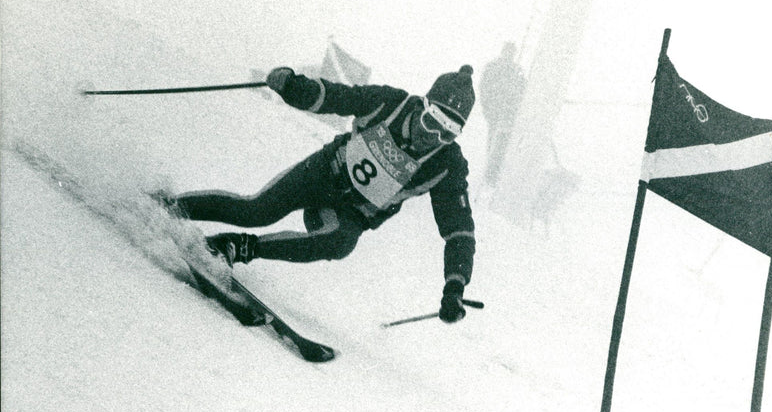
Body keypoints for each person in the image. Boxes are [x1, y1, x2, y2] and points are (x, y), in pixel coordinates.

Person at [173, 65, 477, 323]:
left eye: (447, 133)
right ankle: (173, 206)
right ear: (422, 106)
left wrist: (454, 287)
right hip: (321, 175)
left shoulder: (447, 165)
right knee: (256, 212)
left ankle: (236, 247)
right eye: (430, 122)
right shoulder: (389, 103)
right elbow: (335, 97)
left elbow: (459, 231)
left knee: (341, 242)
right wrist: (292, 86)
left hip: (349, 213)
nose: (432, 137)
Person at [479, 42, 526, 187]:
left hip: (509, 114)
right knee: (494, 143)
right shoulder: (493, 68)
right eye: (508, 52)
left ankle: (498, 174)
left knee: (504, 143)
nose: (509, 55)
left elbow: (523, 90)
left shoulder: (516, 70)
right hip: (495, 113)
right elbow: (484, 89)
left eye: (511, 53)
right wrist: (487, 109)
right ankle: (491, 176)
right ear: (503, 51)